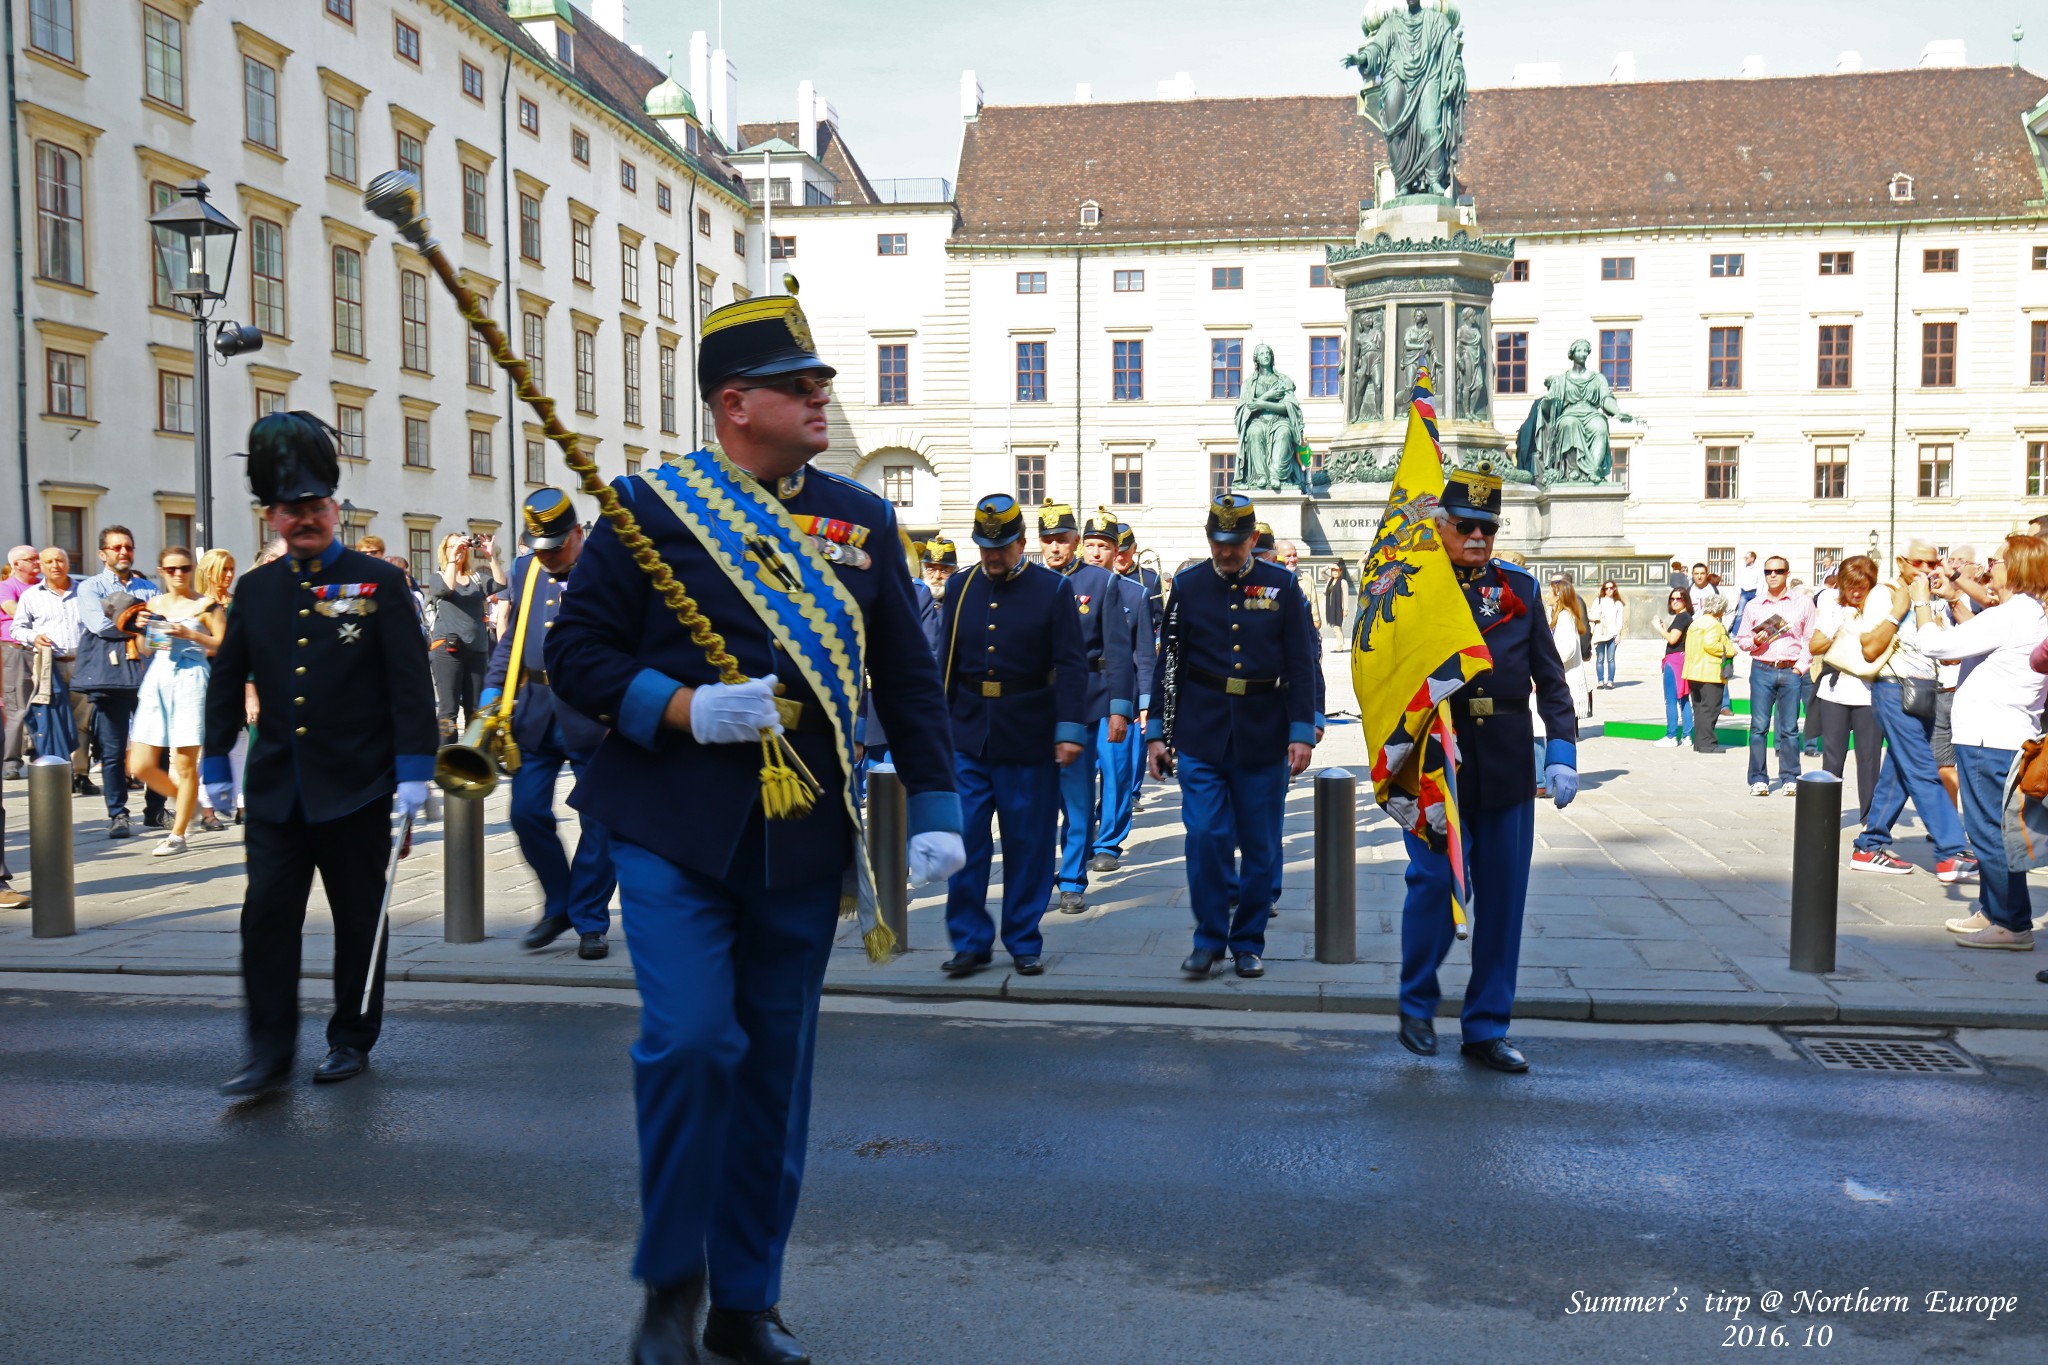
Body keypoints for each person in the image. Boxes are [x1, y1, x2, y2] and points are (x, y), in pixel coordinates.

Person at [546, 291, 965, 1365]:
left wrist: (935, 804)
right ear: (734, 404)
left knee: (774, 1074)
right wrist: (680, 708)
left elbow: (908, 680)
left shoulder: (861, 520)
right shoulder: (646, 508)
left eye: (819, 379)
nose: (822, 395)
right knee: (691, 1043)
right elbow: (577, 660)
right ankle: (668, 1286)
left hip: (798, 835)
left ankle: (743, 1303)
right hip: (672, 825)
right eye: (797, 383)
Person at [202, 413, 435, 1098]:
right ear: (271, 515)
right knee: (267, 918)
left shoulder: (376, 582)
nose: (304, 517)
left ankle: (350, 1038)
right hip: (278, 789)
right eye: (290, 507)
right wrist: (217, 758)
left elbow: (407, 685)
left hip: (359, 786)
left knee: (360, 917)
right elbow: (227, 678)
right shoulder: (255, 588)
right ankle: (268, 1050)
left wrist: (415, 771)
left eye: (315, 505)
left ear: (335, 507)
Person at [1395, 470, 1578, 1074]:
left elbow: (1550, 680)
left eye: (1487, 527)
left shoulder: (1518, 590)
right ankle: (1417, 1003)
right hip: (1434, 766)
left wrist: (1561, 752)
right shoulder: (1413, 591)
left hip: (1502, 760)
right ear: (1441, 527)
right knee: (1432, 885)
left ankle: (1486, 1028)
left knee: (1502, 901)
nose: (1477, 537)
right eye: (1465, 526)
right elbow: (1384, 679)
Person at [1146, 493, 1316, 981]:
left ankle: (1247, 942)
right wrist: (1158, 731)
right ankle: (1208, 938)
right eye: (1218, 543)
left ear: (1251, 540)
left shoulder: (1282, 585)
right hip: (1202, 732)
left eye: (1235, 543)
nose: (1226, 552)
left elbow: (1301, 664)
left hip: (1264, 733)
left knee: (1260, 847)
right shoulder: (1189, 585)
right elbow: (1170, 662)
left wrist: (1301, 730)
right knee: (1205, 837)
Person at [935, 495, 1088, 973]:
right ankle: (970, 940)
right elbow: (945, 662)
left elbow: (1071, 665)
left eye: (1001, 546)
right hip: (969, 734)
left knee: (1028, 841)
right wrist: (936, 728)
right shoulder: (959, 587)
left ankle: (1023, 938)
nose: (992, 555)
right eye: (985, 546)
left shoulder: (1052, 590)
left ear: (1023, 542)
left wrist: (1068, 730)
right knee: (966, 841)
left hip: (1029, 733)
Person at [481, 488, 618, 961]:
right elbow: (512, 638)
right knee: (525, 812)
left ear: (578, 533)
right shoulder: (525, 568)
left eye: (557, 547)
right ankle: (560, 902)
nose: (549, 557)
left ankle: (590, 919)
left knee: (599, 821)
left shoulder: (611, 566)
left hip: (591, 710)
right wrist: (492, 691)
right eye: (541, 549)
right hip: (535, 708)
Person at [1921, 536, 2048, 949]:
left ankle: (2012, 924)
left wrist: (1921, 601)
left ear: (2017, 569)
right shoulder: (2020, 613)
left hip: (1989, 738)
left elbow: (1935, 646)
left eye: (1997, 560)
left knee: (1990, 833)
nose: (1989, 566)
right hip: (1995, 734)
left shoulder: (2012, 615)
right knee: (1989, 829)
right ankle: (1993, 912)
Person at [1848, 544, 1974, 879]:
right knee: (1922, 769)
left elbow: (1949, 656)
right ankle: (1950, 852)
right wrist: (1900, 609)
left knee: (1899, 773)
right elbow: (1870, 646)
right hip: (1894, 688)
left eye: (1934, 562)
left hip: (1924, 691)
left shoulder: (1928, 597)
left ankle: (1868, 846)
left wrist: (1941, 604)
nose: (1928, 568)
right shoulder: (1884, 594)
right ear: (1902, 562)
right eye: (1920, 561)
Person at [1045, 505, 1142, 904]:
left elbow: (1118, 651)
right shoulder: (1030, 582)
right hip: (1034, 703)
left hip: (1083, 700)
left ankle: (1071, 879)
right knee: (1038, 800)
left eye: (1062, 540)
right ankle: (1044, 869)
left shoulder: (1101, 583)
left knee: (1079, 797)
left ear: (1074, 543)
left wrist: (1120, 707)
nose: (1055, 548)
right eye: (1048, 541)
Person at [125, 547, 225, 856]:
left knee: (184, 763)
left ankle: (178, 834)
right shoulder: (152, 604)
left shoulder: (207, 606)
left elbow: (223, 643)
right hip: (158, 678)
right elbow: (144, 648)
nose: (178, 574)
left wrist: (191, 634)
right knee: (139, 764)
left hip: (192, 679)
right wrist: (143, 628)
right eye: (171, 569)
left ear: (192, 569)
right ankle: (189, 802)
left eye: (183, 568)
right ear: (161, 572)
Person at [75, 527, 169, 826]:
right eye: (116, 547)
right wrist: (135, 622)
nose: (123, 552)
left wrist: (148, 627)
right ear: (103, 553)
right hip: (111, 676)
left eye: (128, 547)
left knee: (158, 746)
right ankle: (118, 813)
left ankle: (156, 809)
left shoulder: (149, 589)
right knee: (113, 750)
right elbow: (98, 625)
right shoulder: (90, 588)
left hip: (148, 675)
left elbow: (159, 633)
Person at [1805, 557, 1886, 820]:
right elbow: (1814, 646)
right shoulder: (1832, 606)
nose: (1855, 591)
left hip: (1870, 692)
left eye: (1861, 586)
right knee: (1832, 758)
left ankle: (1869, 820)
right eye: (1849, 585)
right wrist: (1840, 633)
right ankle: (1825, 817)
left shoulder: (1880, 609)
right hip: (1835, 690)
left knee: (1869, 759)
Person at [13, 548, 96, 797]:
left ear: (68, 562)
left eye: (60, 560)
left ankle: (81, 774)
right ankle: (61, 772)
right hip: (50, 665)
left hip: (83, 663)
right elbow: (17, 628)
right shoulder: (31, 596)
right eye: (49, 561)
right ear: (41, 565)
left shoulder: (85, 592)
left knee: (82, 722)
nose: (55, 565)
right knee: (53, 719)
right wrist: (33, 636)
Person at [1735, 555, 1813, 794]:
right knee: (1758, 727)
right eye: (1768, 571)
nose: (1773, 575)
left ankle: (1790, 777)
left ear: (1787, 573)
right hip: (1762, 668)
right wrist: (1754, 641)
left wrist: (1801, 666)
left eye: (1778, 571)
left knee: (1789, 728)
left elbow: (1810, 638)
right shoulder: (1754, 605)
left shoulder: (1803, 603)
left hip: (1790, 669)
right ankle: (1758, 778)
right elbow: (1742, 639)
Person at [427, 530, 507, 744]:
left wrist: (491, 557)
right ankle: (446, 756)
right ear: (444, 551)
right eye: (452, 546)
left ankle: (471, 756)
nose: (459, 551)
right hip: (447, 649)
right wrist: (452, 559)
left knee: (474, 708)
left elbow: (501, 584)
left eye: (462, 547)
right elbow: (448, 587)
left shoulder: (477, 578)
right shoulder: (437, 577)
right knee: (448, 709)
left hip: (476, 649)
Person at [194, 549, 244, 829]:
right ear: (209, 571)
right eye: (223, 569)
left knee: (239, 741)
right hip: (208, 676)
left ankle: (241, 803)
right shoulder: (199, 604)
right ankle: (207, 809)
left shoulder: (237, 603)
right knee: (209, 743)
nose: (228, 575)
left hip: (235, 676)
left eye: (231, 568)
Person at [0, 544, 40, 779]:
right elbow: (12, 610)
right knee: (16, 706)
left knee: (42, 704)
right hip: (15, 650)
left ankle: (39, 752)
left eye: (37, 558)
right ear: (16, 564)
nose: (37, 562)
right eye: (31, 559)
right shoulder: (6, 587)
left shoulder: (41, 587)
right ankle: (10, 762)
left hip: (40, 649)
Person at [1684, 594, 1735, 753]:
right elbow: (1711, 644)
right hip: (1709, 672)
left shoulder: (1695, 623)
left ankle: (1699, 742)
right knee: (1710, 709)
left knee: (1699, 709)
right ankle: (1708, 743)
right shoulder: (1714, 625)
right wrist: (1730, 650)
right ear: (1720, 609)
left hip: (1693, 671)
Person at [1548, 575, 1591, 720]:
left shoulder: (1565, 616)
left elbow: (1568, 648)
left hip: (1564, 672)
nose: (1546, 595)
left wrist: (1550, 662)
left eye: (1549, 593)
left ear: (1558, 596)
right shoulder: (1554, 614)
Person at [1655, 587, 1693, 748]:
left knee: (1671, 700)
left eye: (1679, 598)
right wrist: (1664, 628)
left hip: (1674, 661)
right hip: (1682, 659)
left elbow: (1672, 639)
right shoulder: (1686, 617)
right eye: (1672, 598)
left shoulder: (1681, 618)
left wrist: (1658, 628)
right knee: (1683, 699)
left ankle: (1671, 735)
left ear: (1686, 600)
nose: (1675, 601)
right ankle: (1687, 735)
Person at [1590, 579, 1625, 689]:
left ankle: (1610, 681)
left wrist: (1619, 634)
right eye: (1606, 588)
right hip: (1600, 633)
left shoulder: (1618, 603)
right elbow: (1591, 614)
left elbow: (1619, 620)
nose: (1609, 590)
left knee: (1611, 659)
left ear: (1614, 589)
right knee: (1600, 659)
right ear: (1603, 589)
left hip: (1612, 634)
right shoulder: (1598, 600)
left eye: (1611, 588)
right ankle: (1600, 681)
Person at [1735, 550, 1763, 632]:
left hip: (1754, 593)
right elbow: (1739, 582)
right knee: (1740, 614)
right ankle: (1735, 633)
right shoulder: (1742, 568)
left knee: (1754, 614)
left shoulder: (1758, 569)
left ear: (1752, 558)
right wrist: (1738, 595)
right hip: (1744, 593)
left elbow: (1760, 582)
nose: (1745, 559)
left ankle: (1753, 632)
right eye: (1745, 557)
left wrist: (1758, 595)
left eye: (1747, 557)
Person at [1323, 564, 1349, 651]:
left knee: (1337, 627)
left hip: (1338, 608)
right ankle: (1341, 642)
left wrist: (1345, 609)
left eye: (1337, 570)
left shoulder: (1343, 582)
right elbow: (1321, 571)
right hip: (1331, 607)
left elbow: (1345, 596)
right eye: (1333, 570)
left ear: (1341, 572)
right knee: (1337, 627)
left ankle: (1340, 646)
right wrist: (1329, 566)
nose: (1334, 572)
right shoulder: (1330, 580)